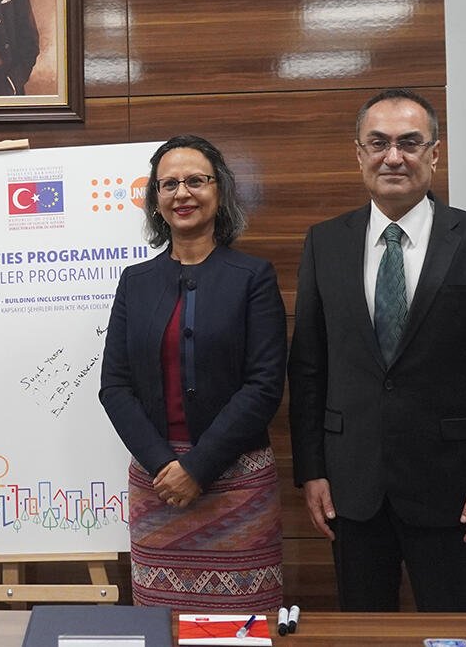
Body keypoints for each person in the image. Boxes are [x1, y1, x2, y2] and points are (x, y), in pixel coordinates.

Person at [287, 88, 466, 612]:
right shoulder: (324, 243)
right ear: (358, 153)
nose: (392, 157)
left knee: (454, 636)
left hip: (453, 492)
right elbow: (308, 370)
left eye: (409, 143)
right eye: (377, 143)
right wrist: (312, 470)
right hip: (352, 491)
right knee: (364, 636)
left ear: (434, 154)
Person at [99, 135, 285, 611]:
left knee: (242, 628)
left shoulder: (254, 277)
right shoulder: (134, 283)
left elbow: (264, 385)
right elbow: (114, 386)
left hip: (237, 483)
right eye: (169, 184)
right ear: (155, 202)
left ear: (218, 191)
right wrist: (166, 467)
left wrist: (197, 468)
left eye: (196, 181)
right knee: (161, 626)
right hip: (157, 483)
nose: (182, 193)